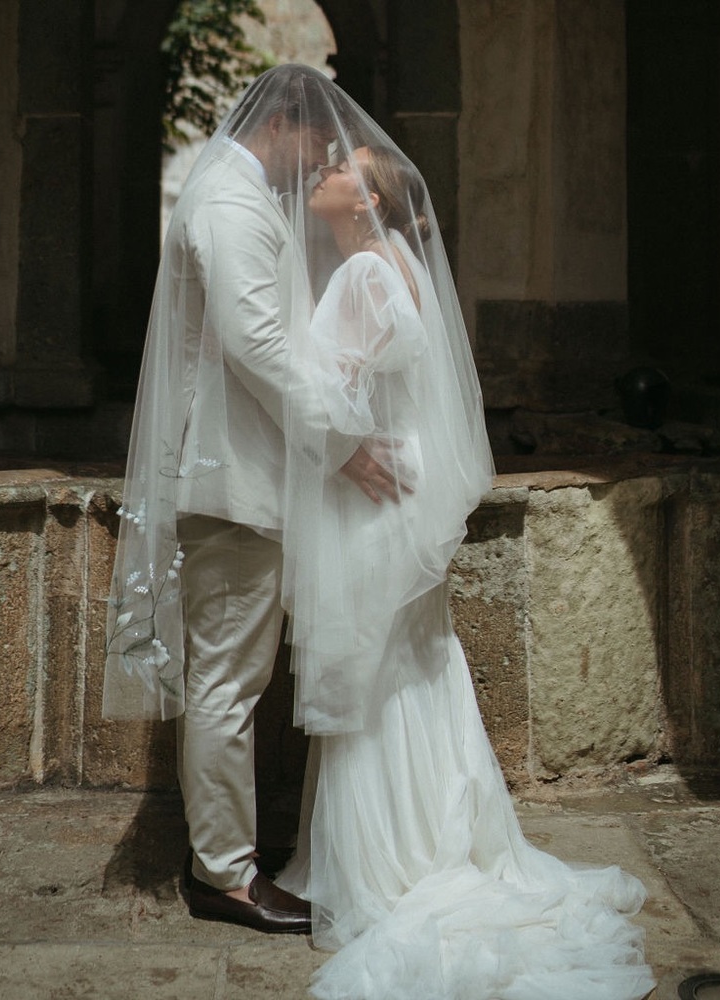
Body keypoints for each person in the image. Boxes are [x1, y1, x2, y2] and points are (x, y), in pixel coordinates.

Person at [274, 141, 656, 999]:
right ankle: (434, 842)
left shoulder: (363, 274)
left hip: (371, 490)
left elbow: (328, 398)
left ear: (368, 200)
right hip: (401, 488)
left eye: (341, 168)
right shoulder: (401, 266)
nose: (323, 171)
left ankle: (381, 865)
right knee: (412, 668)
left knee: (370, 675)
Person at [103, 64, 400, 935]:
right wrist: (343, 444)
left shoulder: (235, 192)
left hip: (245, 472)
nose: (320, 164)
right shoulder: (231, 203)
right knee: (228, 684)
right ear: (281, 124)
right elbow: (258, 345)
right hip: (235, 480)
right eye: (317, 145)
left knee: (233, 677)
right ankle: (224, 876)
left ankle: (226, 855)